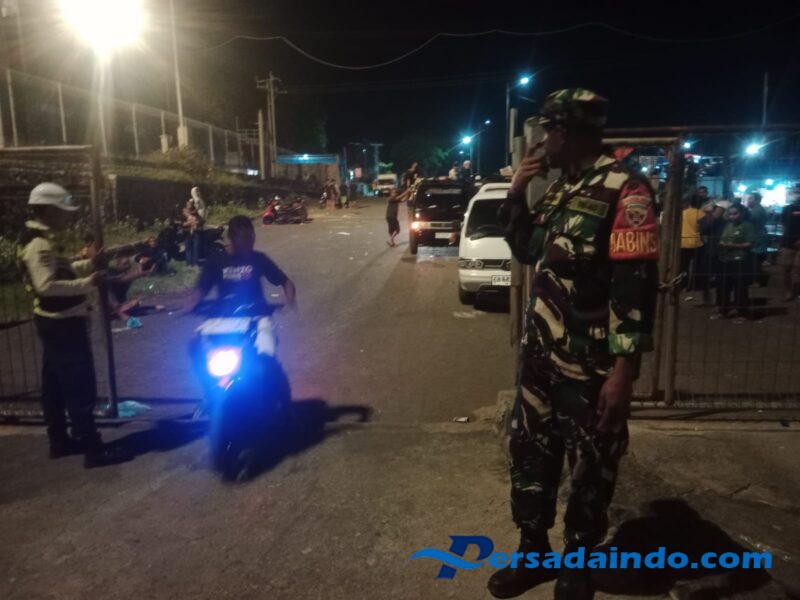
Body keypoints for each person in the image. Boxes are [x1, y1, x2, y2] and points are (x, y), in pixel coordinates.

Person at [494, 89, 658, 600]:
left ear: (568, 133)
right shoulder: (565, 188)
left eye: (549, 130)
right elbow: (527, 249)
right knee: (530, 453)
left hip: (590, 366)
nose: (543, 140)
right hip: (540, 359)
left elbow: (634, 290)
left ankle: (578, 564)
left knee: (590, 466)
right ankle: (534, 552)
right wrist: (518, 190)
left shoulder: (626, 190)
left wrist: (624, 373)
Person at [19, 183, 128, 468]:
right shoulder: (39, 244)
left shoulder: (42, 239)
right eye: (62, 211)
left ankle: (59, 441)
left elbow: (62, 269)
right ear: (48, 210)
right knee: (79, 383)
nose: (66, 216)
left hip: (54, 322)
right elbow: (46, 285)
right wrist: (88, 282)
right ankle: (93, 448)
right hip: (63, 324)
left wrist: (89, 264)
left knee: (54, 383)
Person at [185, 215, 297, 316]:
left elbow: (286, 282)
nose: (250, 243)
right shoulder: (216, 261)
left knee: (266, 333)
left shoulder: (259, 259)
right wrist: (192, 304)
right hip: (223, 316)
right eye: (244, 239)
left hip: (257, 316)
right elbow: (201, 288)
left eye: (251, 238)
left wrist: (289, 301)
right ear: (231, 238)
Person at [713, 204, 755, 323]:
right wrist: (723, 244)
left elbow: (751, 243)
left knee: (740, 287)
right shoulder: (728, 225)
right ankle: (723, 310)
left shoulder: (747, 226)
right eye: (730, 214)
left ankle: (742, 313)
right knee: (723, 286)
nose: (732, 216)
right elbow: (722, 239)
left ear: (742, 213)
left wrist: (734, 245)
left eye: (735, 213)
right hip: (726, 259)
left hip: (740, 260)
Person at [680, 193, 704, 295]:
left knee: (683, 266)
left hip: (683, 242)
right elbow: (703, 228)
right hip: (697, 243)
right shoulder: (701, 214)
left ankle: (683, 285)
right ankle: (696, 285)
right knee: (697, 266)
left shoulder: (683, 213)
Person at [779, 185, 800, 301]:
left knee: (798, 269)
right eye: (795, 192)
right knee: (786, 269)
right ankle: (788, 291)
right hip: (788, 242)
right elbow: (784, 226)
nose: (797, 195)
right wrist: (782, 243)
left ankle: (796, 292)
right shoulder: (787, 209)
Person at [747, 192, 769, 287]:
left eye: (750, 199)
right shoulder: (759, 209)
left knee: (755, 260)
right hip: (760, 236)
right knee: (757, 260)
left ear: (757, 200)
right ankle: (756, 280)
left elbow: (751, 225)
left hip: (757, 237)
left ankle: (756, 281)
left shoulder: (756, 211)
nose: (748, 201)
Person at [182, 199, 202, 266]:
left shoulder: (196, 213)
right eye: (188, 204)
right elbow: (181, 224)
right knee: (188, 249)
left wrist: (196, 222)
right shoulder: (183, 214)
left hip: (196, 233)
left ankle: (195, 263)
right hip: (187, 233)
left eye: (190, 204)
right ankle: (189, 263)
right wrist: (188, 223)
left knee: (196, 248)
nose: (189, 205)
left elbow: (200, 221)